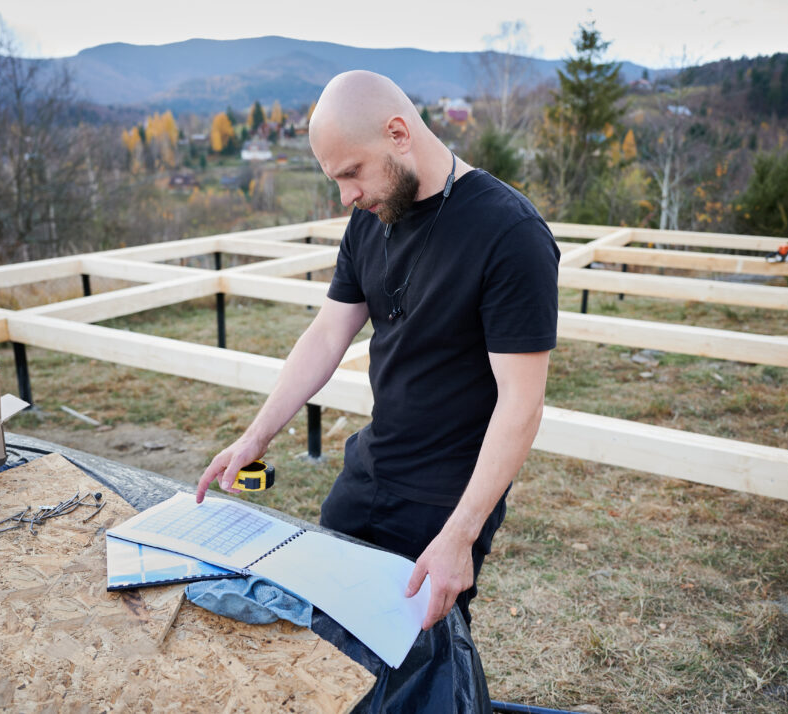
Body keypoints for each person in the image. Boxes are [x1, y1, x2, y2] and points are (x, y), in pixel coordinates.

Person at [197, 70, 559, 630]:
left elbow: (522, 403)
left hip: (445, 501)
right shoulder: (372, 217)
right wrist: (255, 436)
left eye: (351, 173)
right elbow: (326, 334)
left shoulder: (509, 233)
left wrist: (460, 535)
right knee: (321, 631)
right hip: (367, 472)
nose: (347, 197)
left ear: (397, 133)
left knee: (408, 660)